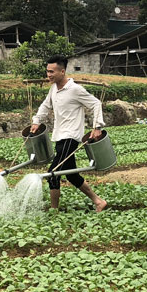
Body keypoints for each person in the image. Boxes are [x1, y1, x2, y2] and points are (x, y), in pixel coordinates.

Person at [30, 55, 107, 212]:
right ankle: (99, 202)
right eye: (47, 71)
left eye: (52, 72)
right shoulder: (54, 89)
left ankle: (54, 210)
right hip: (59, 137)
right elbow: (45, 106)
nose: (49, 75)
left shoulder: (75, 89)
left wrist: (97, 126)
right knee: (71, 175)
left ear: (62, 71)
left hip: (71, 137)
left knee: (53, 174)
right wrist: (36, 120)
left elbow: (95, 103)